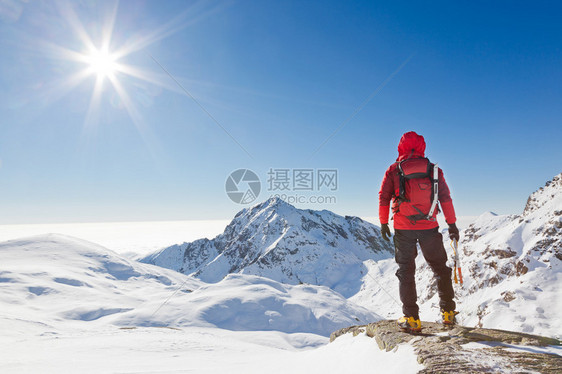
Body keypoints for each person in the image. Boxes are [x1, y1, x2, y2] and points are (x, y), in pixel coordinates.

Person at [378, 131, 460, 332]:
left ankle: (412, 319)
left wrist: (383, 222)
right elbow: (445, 198)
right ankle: (448, 314)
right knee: (440, 268)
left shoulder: (393, 170)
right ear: (422, 147)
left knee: (406, 271)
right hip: (429, 226)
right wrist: (452, 224)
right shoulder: (433, 170)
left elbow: (384, 197)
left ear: (400, 147)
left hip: (403, 228)